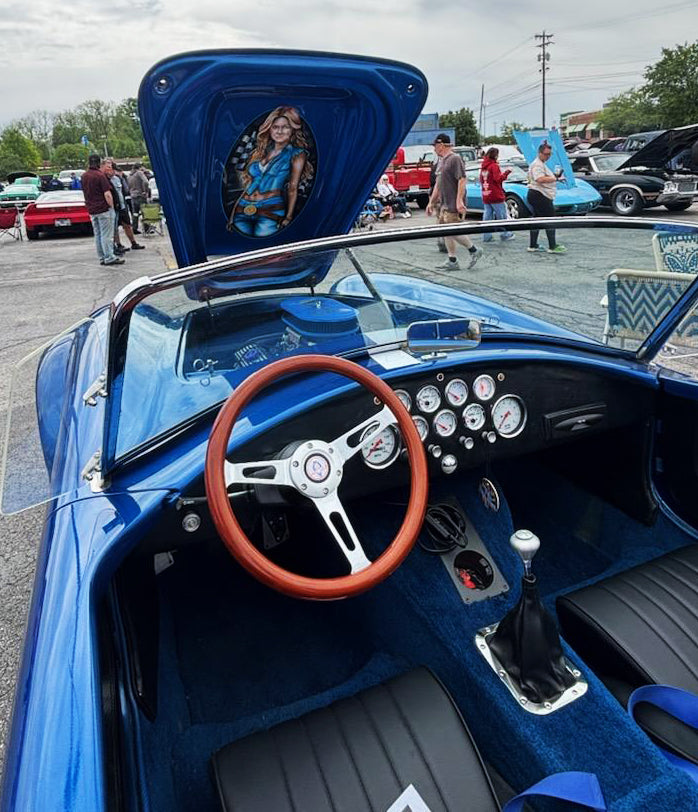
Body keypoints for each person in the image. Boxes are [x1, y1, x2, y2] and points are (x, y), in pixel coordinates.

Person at [228, 106, 313, 237]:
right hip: (242, 208)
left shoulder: (297, 154)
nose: (279, 131)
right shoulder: (260, 152)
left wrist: (289, 217)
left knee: (264, 253)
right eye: (275, 127)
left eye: (285, 127)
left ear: (293, 130)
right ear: (269, 129)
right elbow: (247, 182)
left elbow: (293, 187)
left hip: (271, 210)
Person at [426, 133, 482, 270]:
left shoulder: (454, 159)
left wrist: (459, 201)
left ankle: (474, 250)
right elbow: (438, 185)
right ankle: (452, 260)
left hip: (452, 203)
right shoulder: (442, 161)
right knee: (445, 231)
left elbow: (462, 179)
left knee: (453, 231)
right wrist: (431, 203)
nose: (434, 149)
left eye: (435, 146)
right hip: (444, 204)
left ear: (441, 145)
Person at [81, 154, 124, 266]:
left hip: (92, 209)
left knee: (98, 234)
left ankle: (102, 257)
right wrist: (112, 207)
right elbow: (107, 194)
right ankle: (109, 257)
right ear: (99, 163)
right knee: (107, 235)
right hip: (104, 209)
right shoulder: (100, 176)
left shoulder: (84, 176)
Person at [526, 142, 566, 254]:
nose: (548, 156)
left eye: (550, 154)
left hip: (537, 194)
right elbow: (539, 179)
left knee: (537, 220)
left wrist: (554, 176)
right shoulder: (537, 165)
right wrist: (555, 179)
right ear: (540, 153)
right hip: (540, 195)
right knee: (550, 220)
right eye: (546, 154)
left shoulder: (541, 164)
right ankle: (552, 246)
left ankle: (533, 245)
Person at [102, 160, 144, 253]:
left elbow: (125, 190)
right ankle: (119, 244)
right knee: (115, 228)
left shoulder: (118, 179)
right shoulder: (105, 180)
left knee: (127, 225)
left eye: (113, 169)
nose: (112, 171)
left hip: (122, 206)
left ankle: (133, 243)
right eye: (110, 169)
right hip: (113, 207)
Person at [480, 147, 514, 242]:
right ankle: (505, 234)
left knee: (487, 217)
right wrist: (507, 172)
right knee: (501, 216)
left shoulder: (484, 166)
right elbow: (498, 179)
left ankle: (486, 236)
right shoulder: (494, 166)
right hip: (496, 194)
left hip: (486, 193)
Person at [128, 163, 150, 233]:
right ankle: (147, 228)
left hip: (133, 197)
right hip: (140, 196)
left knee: (135, 213)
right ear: (139, 167)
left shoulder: (129, 176)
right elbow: (146, 182)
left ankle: (134, 228)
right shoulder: (139, 173)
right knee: (145, 213)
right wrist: (145, 191)